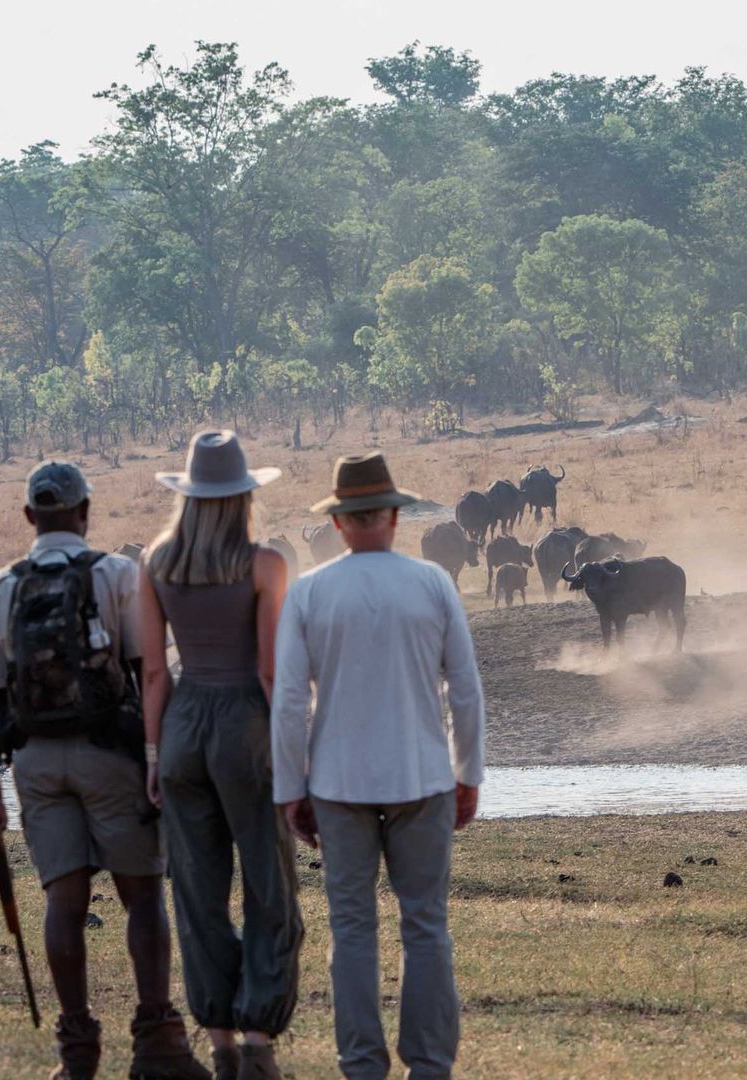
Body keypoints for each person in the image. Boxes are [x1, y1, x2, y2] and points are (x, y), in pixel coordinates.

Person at [0, 460, 211, 1080]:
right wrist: (160, 762)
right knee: (142, 897)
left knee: (64, 902)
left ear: (29, 517)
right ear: (85, 512)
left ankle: (77, 1056)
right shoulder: (116, 574)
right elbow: (145, 675)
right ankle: (157, 1045)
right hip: (113, 757)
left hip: (36, 764)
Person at [270, 452, 485, 1080]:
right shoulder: (432, 584)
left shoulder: (310, 591)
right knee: (425, 924)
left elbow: (288, 701)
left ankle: (362, 1064)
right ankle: (430, 1064)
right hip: (422, 774)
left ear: (338, 523)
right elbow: (465, 689)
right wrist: (467, 772)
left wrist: (291, 787)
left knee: (353, 928)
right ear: (394, 515)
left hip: (337, 782)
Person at [137, 431, 303, 1080]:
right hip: (245, 727)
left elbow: (155, 673)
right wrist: (294, 748)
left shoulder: (155, 564)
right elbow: (269, 671)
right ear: (242, 498)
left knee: (197, 892)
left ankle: (220, 1040)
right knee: (269, 885)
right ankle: (259, 1038)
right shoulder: (265, 566)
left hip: (181, 729)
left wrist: (155, 755)